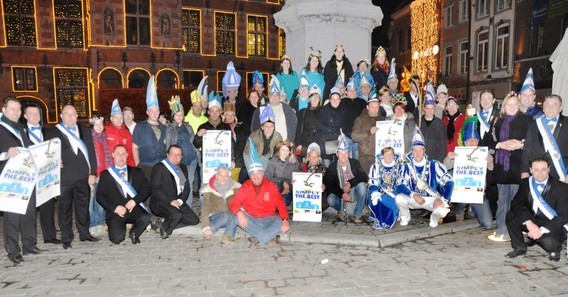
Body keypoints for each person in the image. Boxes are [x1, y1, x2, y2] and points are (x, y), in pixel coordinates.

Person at [46, 105, 99, 249]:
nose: (70, 117)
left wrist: (93, 172)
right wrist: (53, 162)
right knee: (64, 209)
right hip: (64, 178)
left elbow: (91, 153)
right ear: (61, 116)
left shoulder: (85, 131)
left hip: (83, 176)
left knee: (83, 207)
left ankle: (84, 233)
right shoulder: (52, 132)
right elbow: (47, 154)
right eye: (66, 114)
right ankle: (66, 237)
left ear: (77, 116)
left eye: (73, 114)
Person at [1, 97, 45, 264]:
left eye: (18, 109)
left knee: (29, 213)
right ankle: (13, 250)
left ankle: (29, 245)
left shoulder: (21, 128)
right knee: (13, 216)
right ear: (4, 110)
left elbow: (30, 150)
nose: (16, 112)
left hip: (27, 176)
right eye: (13, 109)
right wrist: (5, 154)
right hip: (9, 178)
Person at [505, 155, 568, 261]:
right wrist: (529, 223)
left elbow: (564, 216)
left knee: (549, 243)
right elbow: (516, 204)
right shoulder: (526, 183)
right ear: (530, 170)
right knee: (511, 215)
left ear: (549, 169)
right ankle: (519, 247)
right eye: (536, 170)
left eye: (543, 169)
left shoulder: (561, 187)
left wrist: (541, 230)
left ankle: (555, 249)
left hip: (552, 224)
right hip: (533, 220)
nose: (540, 173)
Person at [488, 93, 533, 242]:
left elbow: (534, 141)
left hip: (518, 166)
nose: (512, 107)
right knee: (502, 199)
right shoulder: (498, 121)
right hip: (502, 167)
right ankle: (501, 228)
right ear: (504, 106)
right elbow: (487, 140)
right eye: (509, 104)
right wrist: (500, 144)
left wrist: (520, 144)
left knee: (515, 200)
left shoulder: (526, 120)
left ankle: (513, 230)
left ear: (518, 105)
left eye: (515, 104)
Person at [227, 142, 290, 245]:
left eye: (258, 173)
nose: (256, 177)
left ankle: (259, 237)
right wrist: (240, 213)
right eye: (253, 174)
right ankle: (268, 236)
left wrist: (285, 219)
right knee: (236, 218)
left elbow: (280, 203)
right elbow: (234, 203)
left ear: (262, 174)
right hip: (252, 219)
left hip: (268, 218)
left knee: (280, 221)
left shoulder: (270, 185)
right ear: (250, 176)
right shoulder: (246, 186)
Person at [395, 130, 454, 228]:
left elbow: (449, 182)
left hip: (431, 199)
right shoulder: (406, 166)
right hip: (414, 198)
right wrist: (414, 195)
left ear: (424, 151)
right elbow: (400, 186)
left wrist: (443, 200)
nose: (418, 153)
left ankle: (434, 219)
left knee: (443, 209)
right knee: (399, 198)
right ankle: (405, 217)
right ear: (411, 151)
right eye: (415, 150)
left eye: (420, 150)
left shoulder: (434, 165)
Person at [443, 117, 494, 229]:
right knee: (451, 179)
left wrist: (490, 162)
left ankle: (474, 209)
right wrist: (448, 158)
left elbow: (491, 169)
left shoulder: (482, 152)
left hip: (478, 193)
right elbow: (445, 167)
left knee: (488, 224)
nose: (472, 143)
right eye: (469, 141)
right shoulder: (459, 152)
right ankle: (459, 209)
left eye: (474, 140)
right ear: (465, 142)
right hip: (462, 192)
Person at [96, 145, 151, 244]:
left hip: (133, 208)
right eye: (118, 154)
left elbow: (146, 189)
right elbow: (100, 196)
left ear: (127, 155)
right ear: (113, 155)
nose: (121, 157)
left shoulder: (137, 172)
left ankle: (134, 233)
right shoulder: (106, 174)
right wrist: (115, 208)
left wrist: (135, 201)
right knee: (117, 239)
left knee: (145, 217)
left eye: (123, 154)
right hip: (116, 211)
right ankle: (118, 227)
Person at [23, 103, 60, 245]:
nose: (35, 116)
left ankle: (49, 236)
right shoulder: (21, 132)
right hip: (29, 174)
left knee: (48, 207)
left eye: (37, 113)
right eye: (31, 113)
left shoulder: (48, 132)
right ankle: (29, 240)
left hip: (46, 175)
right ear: (25, 116)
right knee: (30, 210)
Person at [151, 145, 200, 239]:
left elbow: (186, 189)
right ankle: (165, 230)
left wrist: (180, 201)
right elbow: (156, 189)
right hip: (161, 202)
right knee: (177, 215)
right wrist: (170, 201)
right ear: (167, 154)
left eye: (178, 154)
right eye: (172, 154)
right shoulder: (159, 167)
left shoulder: (183, 167)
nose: (175, 156)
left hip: (177, 201)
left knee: (194, 220)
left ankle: (162, 223)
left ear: (182, 157)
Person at [323, 134, 368, 223]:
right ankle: (341, 210)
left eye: (345, 153)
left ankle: (358, 213)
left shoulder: (355, 163)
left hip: (353, 191)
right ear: (337, 154)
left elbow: (363, 177)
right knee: (331, 199)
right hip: (341, 193)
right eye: (341, 153)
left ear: (348, 153)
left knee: (362, 186)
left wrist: (350, 183)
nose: (343, 156)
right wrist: (341, 193)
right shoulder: (332, 166)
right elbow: (329, 185)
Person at [522, 95, 568, 182]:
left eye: (554, 104)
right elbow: (527, 149)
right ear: (543, 108)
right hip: (537, 173)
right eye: (547, 104)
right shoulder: (534, 124)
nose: (550, 107)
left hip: (562, 172)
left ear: (561, 108)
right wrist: (524, 171)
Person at [166, 96, 199, 208]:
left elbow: (193, 141)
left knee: (189, 182)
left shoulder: (188, 127)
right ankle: (179, 205)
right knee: (181, 183)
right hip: (179, 161)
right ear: (173, 116)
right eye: (176, 115)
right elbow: (169, 145)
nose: (179, 117)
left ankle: (188, 206)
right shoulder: (170, 128)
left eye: (181, 115)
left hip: (191, 158)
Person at [132, 76, 167, 180]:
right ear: (147, 112)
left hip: (161, 165)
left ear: (159, 112)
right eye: (151, 111)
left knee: (160, 192)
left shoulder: (164, 127)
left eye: (156, 111)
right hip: (145, 166)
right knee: (147, 192)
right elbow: (134, 147)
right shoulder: (139, 127)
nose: (154, 113)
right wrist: (138, 164)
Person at [200, 165, 241, 243]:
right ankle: (211, 229)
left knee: (233, 214)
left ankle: (228, 236)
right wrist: (206, 227)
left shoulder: (235, 187)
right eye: (220, 175)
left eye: (226, 176)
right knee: (228, 215)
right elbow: (205, 209)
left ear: (229, 176)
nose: (223, 178)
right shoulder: (209, 189)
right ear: (216, 176)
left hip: (231, 214)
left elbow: (240, 203)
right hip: (216, 215)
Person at [251, 75, 297, 143]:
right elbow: (254, 128)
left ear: (279, 96)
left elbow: (294, 125)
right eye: (272, 95)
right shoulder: (261, 109)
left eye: (276, 95)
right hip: (266, 146)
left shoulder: (288, 109)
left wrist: (290, 141)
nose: (274, 97)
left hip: (284, 146)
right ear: (269, 96)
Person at [89, 115, 112, 237]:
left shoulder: (105, 137)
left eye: (101, 124)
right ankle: (91, 224)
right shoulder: (89, 139)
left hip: (104, 174)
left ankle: (99, 223)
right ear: (92, 126)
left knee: (99, 201)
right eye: (96, 125)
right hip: (93, 174)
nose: (99, 127)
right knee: (90, 203)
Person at [352, 93, 386, 173]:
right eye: (372, 107)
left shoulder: (383, 120)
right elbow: (354, 136)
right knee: (368, 180)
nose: (375, 109)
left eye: (377, 107)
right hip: (365, 157)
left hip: (379, 156)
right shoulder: (360, 120)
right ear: (367, 107)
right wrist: (369, 132)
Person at [319, 87, 354, 164]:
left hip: (342, 139)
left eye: (337, 99)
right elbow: (320, 125)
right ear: (330, 100)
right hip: (328, 140)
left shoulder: (345, 110)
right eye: (333, 99)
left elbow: (348, 124)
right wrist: (334, 131)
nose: (335, 101)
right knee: (327, 166)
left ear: (340, 100)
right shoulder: (324, 110)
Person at [368, 147, 400, 229]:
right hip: (379, 193)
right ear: (382, 156)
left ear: (394, 155)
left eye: (391, 154)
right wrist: (375, 192)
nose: (389, 156)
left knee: (393, 202)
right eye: (386, 154)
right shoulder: (376, 167)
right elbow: (372, 182)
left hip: (394, 194)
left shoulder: (399, 167)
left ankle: (388, 218)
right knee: (377, 199)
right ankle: (378, 219)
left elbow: (401, 183)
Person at [265, 140, 297, 206]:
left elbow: (296, 175)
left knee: (285, 201)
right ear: (279, 150)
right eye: (283, 150)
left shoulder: (292, 161)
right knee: (276, 187)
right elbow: (267, 177)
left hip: (288, 189)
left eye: (287, 150)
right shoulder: (273, 161)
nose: (285, 152)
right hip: (276, 187)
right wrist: (283, 182)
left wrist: (291, 183)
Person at [420, 85, 447, 163]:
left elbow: (443, 146)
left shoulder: (440, 124)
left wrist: (438, 162)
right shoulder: (419, 122)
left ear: (434, 109)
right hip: (420, 158)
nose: (429, 111)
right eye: (427, 108)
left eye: (432, 108)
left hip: (434, 159)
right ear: (424, 109)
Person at [295, 85, 323, 156]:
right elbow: (298, 129)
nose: (315, 99)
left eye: (317, 98)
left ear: (319, 100)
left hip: (320, 144)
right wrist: (298, 143)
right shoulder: (302, 112)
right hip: (306, 144)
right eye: (313, 97)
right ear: (309, 99)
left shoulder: (324, 111)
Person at [105, 99, 135, 167]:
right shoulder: (105, 131)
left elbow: (130, 153)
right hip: (109, 166)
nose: (119, 120)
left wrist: (132, 168)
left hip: (124, 166)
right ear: (111, 119)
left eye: (121, 118)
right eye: (116, 118)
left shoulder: (127, 133)